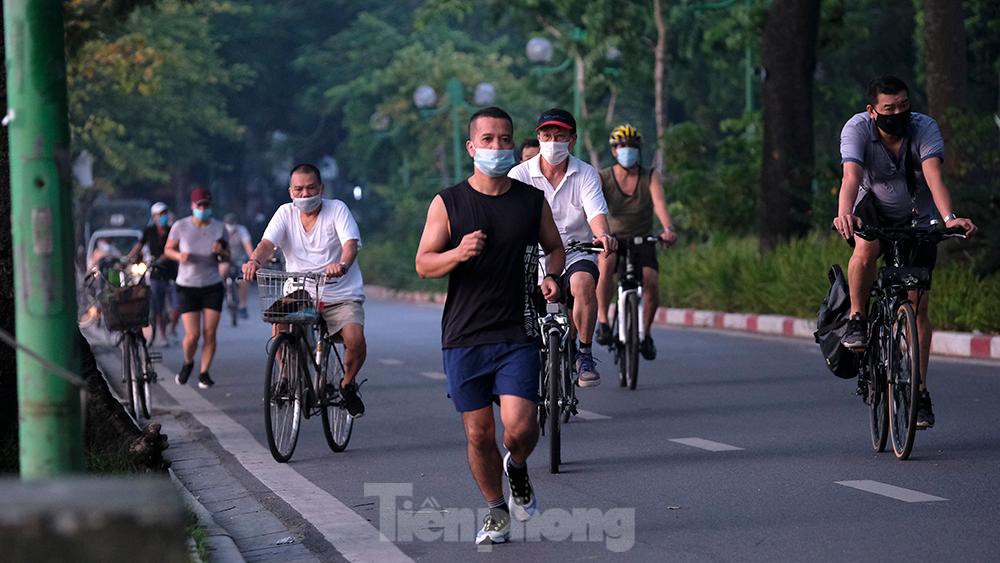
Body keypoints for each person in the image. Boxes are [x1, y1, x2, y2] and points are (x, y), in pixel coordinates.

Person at [416, 106, 565, 545]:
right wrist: (458, 253)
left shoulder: (529, 201)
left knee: (520, 427)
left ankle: (516, 467)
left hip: (517, 331)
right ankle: (496, 509)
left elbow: (554, 247)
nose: (498, 147)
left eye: (505, 139)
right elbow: (424, 263)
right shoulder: (449, 202)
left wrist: (552, 277)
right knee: (479, 434)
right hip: (463, 336)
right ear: (471, 147)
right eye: (488, 140)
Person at [833, 75, 977, 429]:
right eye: (888, 109)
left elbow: (934, 177)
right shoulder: (856, 130)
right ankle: (856, 318)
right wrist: (844, 213)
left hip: (918, 215)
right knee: (866, 247)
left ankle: (920, 392)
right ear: (872, 111)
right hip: (874, 209)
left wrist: (949, 218)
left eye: (903, 106)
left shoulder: (923, 128)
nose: (897, 114)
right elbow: (851, 177)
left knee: (918, 305)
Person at [242, 163, 368, 417]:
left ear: (320, 188)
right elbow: (267, 244)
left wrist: (342, 264)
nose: (304, 194)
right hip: (300, 289)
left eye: (310, 188)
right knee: (279, 326)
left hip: (339, 291)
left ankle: (346, 385)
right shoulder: (284, 213)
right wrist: (255, 261)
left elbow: (350, 244)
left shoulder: (337, 209)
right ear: (290, 191)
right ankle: (287, 378)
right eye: (298, 189)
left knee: (354, 340)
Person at [508, 108, 616, 387]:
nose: (553, 141)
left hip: (575, 250)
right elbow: (507, 218)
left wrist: (603, 236)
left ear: (572, 140)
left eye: (560, 136)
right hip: (534, 255)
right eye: (547, 135)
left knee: (582, 283)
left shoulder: (586, 174)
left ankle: (584, 353)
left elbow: (596, 215)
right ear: (538, 137)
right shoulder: (519, 175)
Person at [594, 124, 678, 360]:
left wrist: (668, 229)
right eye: (622, 146)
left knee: (650, 281)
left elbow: (659, 204)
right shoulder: (604, 177)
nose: (627, 150)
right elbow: (594, 207)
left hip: (643, 238)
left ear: (638, 150)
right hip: (613, 239)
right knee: (606, 266)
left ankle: (646, 334)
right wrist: (596, 233)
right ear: (613, 151)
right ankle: (603, 320)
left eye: (631, 146)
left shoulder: (649, 176)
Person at [164, 187, 230, 389]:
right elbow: (168, 249)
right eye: (199, 205)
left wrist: (221, 252)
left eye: (206, 205)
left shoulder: (220, 228)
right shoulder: (180, 226)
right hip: (187, 286)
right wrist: (179, 256)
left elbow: (227, 257)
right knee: (193, 335)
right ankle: (188, 362)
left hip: (212, 285)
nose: (203, 208)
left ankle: (204, 372)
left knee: (210, 332)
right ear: (193, 205)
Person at [128, 202, 180, 345]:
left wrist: (163, 258)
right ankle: (163, 335)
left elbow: (174, 248)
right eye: (159, 214)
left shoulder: (173, 230)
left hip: (172, 274)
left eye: (164, 213)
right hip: (156, 275)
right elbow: (139, 246)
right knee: (159, 308)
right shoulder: (149, 231)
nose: (162, 216)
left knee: (177, 307)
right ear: (154, 216)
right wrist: (128, 258)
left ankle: (172, 328)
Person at [221, 213, 255, 319]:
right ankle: (224, 293)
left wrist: (252, 261)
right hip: (225, 258)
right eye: (228, 224)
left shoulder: (242, 230)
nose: (231, 226)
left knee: (244, 278)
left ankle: (243, 305)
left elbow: (248, 247)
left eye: (232, 224)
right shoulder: (220, 231)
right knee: (221, 272)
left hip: (240, 258)